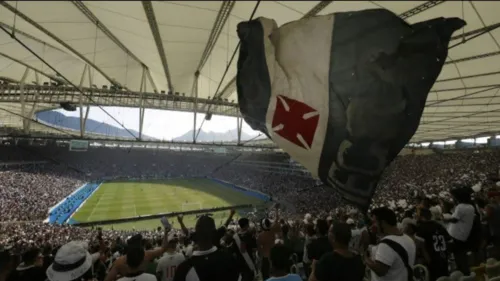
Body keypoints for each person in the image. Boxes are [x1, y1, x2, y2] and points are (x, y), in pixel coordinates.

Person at [173, 215, 241, 281]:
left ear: (196, 234)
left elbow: (187, 232)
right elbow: (225, 225)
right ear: (214, 232)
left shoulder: (184, 269)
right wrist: (231, 214)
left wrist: (181, 222)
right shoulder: (230, 260)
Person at [365, 207, 416, 281]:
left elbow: (380, 271)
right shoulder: (408, 239)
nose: (372, 226)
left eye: (374, 222)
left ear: (383, 223)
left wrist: (366, 258)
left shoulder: (386, 244)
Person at [444, 188, 476, 275]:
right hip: (463, 236)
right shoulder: (471, 206)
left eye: (454, 197)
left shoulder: (460, 206)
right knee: (461, 256)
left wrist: (442, 218)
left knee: (458, 257)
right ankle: (465, 273)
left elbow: (454, 219)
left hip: (455, 236)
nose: (453, 199)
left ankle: (462, 274)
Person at [416, 208, 450, 281]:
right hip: (443, 257)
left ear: (421, 216)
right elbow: (448, 240)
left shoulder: (421, 228)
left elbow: (419, 245)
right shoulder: (439, 226)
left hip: (432, 259)